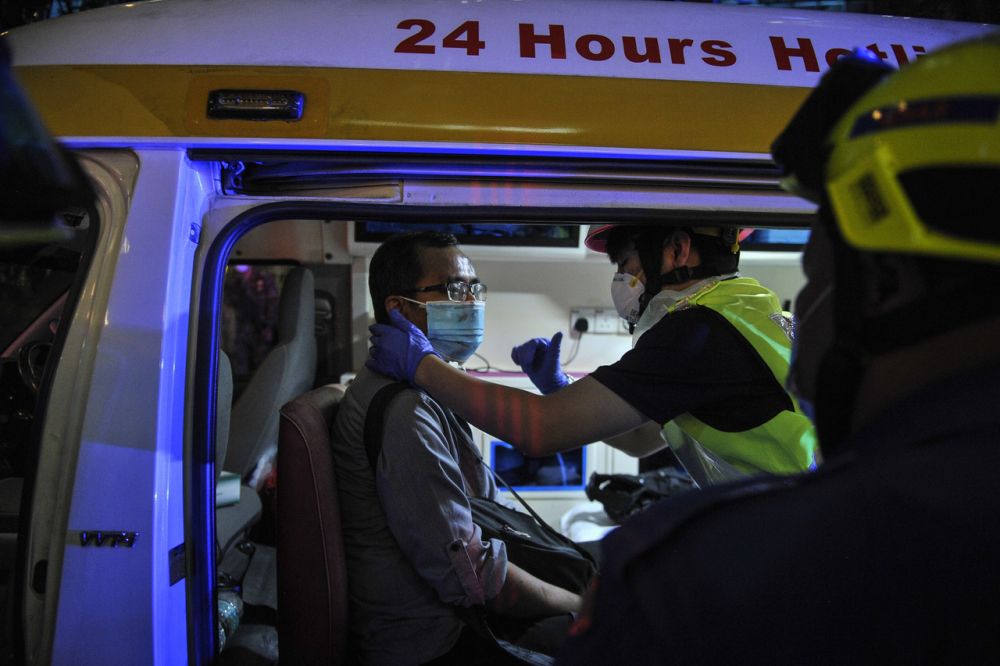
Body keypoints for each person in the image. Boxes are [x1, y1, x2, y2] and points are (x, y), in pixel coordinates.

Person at [553, 34, 1000, 664]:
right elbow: (640, 438)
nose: (798, 314)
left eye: (818, 275)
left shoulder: (693, 584)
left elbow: (549, 432)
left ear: (887, 286)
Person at [366, 221, 818, 488]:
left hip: (808, 533)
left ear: (678, 250)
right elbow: (644, 439)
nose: (621, 280)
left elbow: (539, 432)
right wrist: (560, 389)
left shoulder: (697, 332)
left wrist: (420, 365)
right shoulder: (745, 308)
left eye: (625, 265)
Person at [330, 230, 581, 665]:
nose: (471, 302)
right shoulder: (404, 410)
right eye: (454, 290)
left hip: (461, 618)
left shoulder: (428, 390)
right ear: (400, 308)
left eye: (474, 288)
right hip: (435, 643)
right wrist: (579, 605)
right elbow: (473, 578)